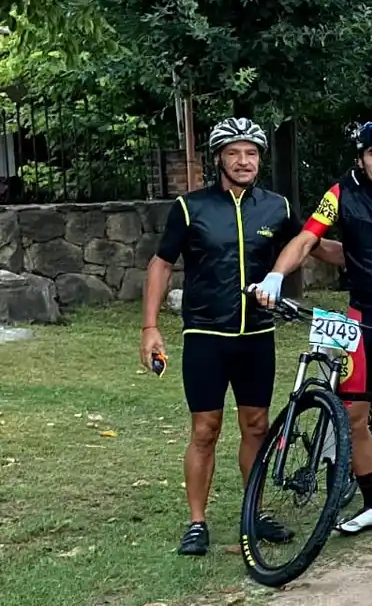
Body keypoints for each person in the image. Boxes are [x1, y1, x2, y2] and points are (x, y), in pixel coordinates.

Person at [140, 117, 341, 556]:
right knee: (205, 429)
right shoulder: (190, 207)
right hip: (205, 336)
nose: (244, 160)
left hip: (257, 336)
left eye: (251, 153)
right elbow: (160, 264)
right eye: (234, 153)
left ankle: (254, 511)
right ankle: (197, 522)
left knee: (256, 425)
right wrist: (150, 327)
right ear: (219, 159)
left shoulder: (277, 207)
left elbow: (312, 245)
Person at [248, 118, 372, 545]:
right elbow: (307, 238)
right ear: (361, 157)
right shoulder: (341, 194)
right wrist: (275, 276)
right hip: (360, 319)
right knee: (354, 415)